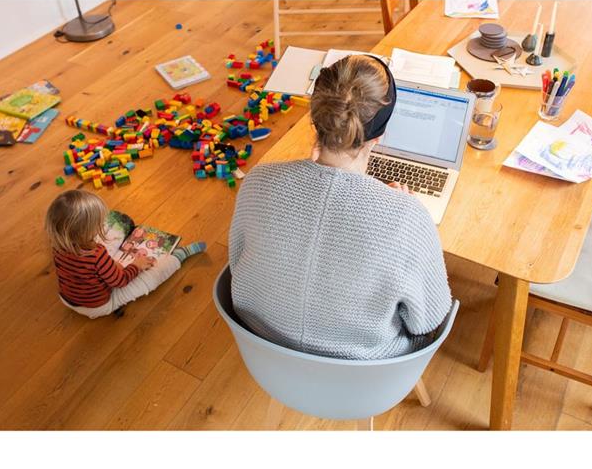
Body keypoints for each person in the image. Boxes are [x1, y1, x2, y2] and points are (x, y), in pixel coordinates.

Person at [229, 54, 452, 359]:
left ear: (315, 118)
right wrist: (403, 214)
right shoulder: (408, 218)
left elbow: (237, 261)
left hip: (263, 351)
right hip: (364, 376)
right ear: (380, 134)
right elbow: (428, 321)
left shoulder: (257, 181)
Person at [45, 190, 206, 319]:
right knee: (150, 279)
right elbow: (120, 281)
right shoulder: (96, 255)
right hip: (98, 306)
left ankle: (123, 232)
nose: (101, 224)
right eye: (98, 223)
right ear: (86, 231)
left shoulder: (57, 245)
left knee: (109, 253)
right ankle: (179, 256)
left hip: (67, 299)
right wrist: (136, 266)